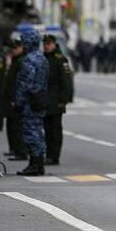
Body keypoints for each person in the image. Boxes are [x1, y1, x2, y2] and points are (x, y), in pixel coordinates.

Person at [15, 30, 49, 176]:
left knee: (31, 133)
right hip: (41, 98)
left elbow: (25, 83)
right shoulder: (42, 58)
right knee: (39, 132)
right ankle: (39, 163)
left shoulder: (29, 59)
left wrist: (19, 101)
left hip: (30, 100)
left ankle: (34, 164)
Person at [42, 34, 74, 166]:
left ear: (54, 44)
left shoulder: (61, 59)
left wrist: (64, 99)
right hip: (45, 99)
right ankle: (48, 154)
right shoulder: (44, 58)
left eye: (48, 44)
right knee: (47, 129)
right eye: (45, 44)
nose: (46, 46)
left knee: (55, 130)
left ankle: (54, 156)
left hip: (56, 100)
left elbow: (66, 81)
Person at [1, 35, 27, 161]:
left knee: (17, 126)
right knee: (11, 125)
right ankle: (14, 149)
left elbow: (19, 83)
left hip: (16, 99)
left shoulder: (21, 61)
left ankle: (20, 150)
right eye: (13, 48)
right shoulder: (15, 60)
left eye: (16, 48)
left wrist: (16, 98)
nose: (13, 50)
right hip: (10, 99)